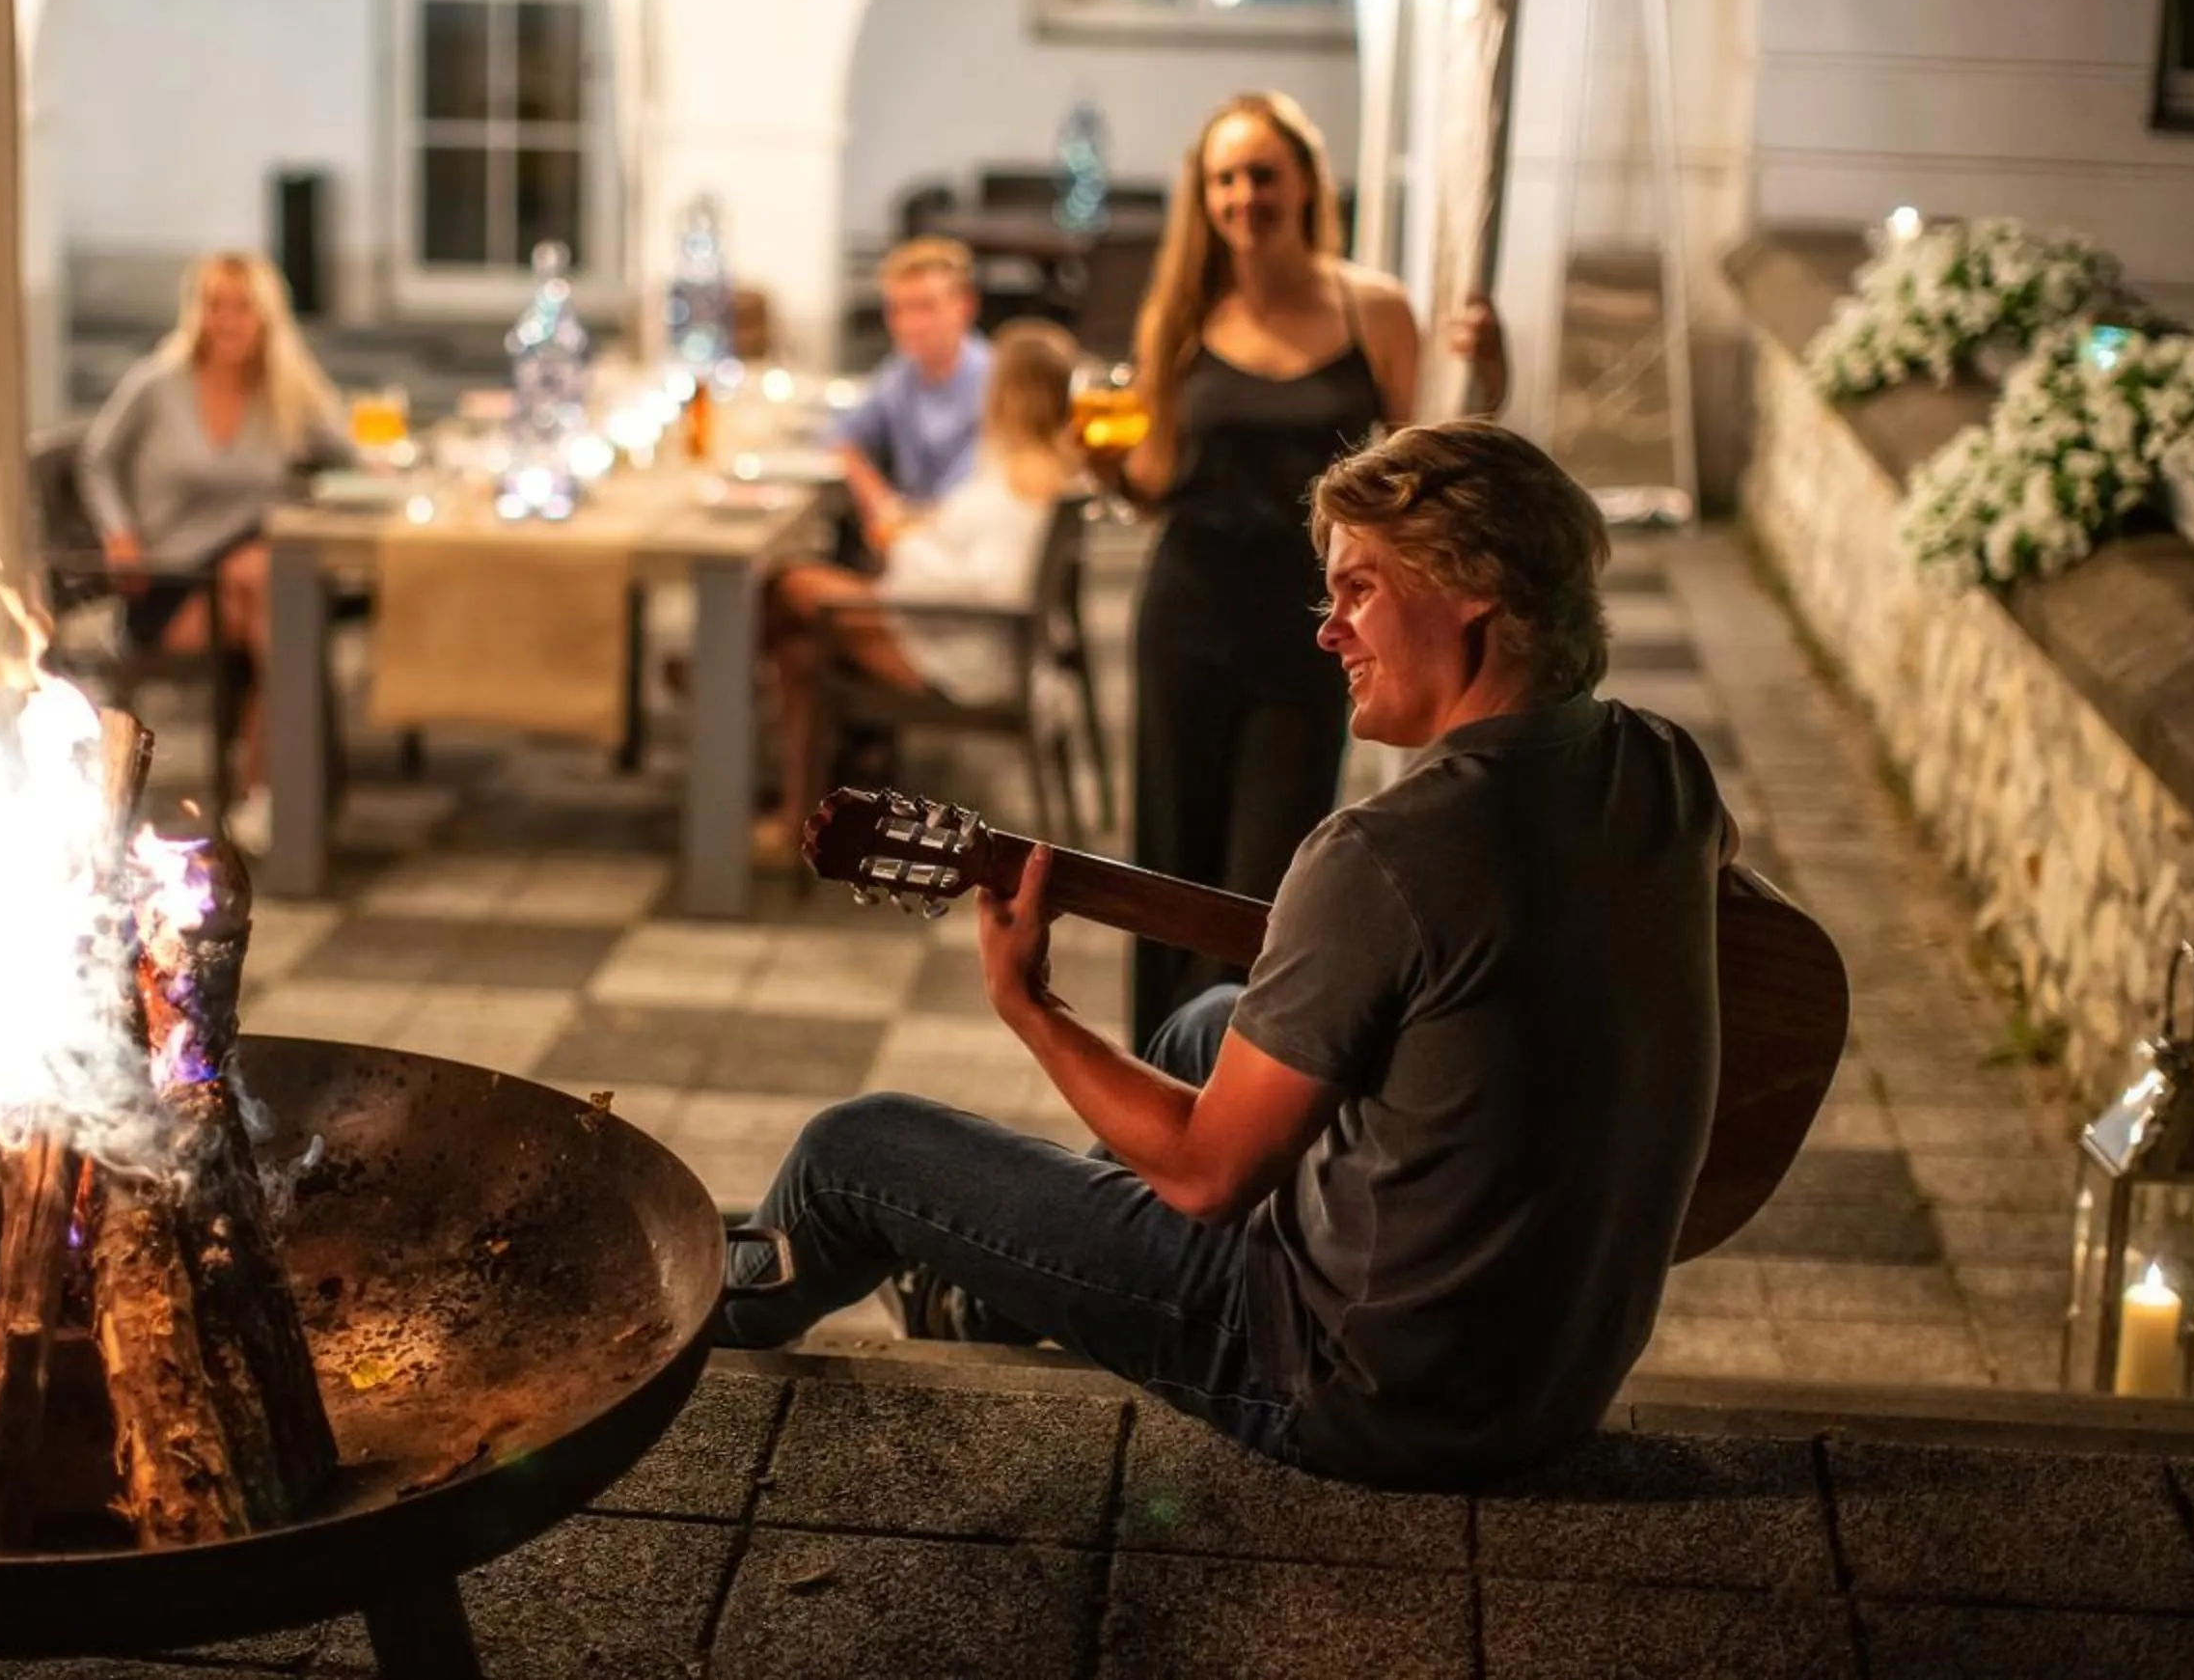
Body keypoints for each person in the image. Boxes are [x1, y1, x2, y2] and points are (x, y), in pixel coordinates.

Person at [720, 421, 1729, 1490]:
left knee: (857, 1150)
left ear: (1476, 587)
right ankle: (1000, 1298)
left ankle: (691, 1344)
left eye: (1360, 589)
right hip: (1551, 1369)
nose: (1328, 632)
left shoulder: (1386, 855)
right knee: (1211, 1024)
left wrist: (1031, 1007)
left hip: (1366, 1386)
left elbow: (1208, 1175)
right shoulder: (1664, 768)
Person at [1089, 91, 1505, 1047]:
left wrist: (1489, 375)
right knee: (1167, 862)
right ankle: (1151, 1093)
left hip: (1316, 618)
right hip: (1186, 610)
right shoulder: (1183, 315)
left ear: (1306, 182)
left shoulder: (1372, 307)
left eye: (1262, 173)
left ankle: (1238, 1092)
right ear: (1205, 194)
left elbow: (1430, 455)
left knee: (1272, 875)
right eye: (1224, 177)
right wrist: (1102, 461)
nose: (1244, 195)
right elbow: (1156, 480)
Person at [755, 318, 1080, 864]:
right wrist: (918, 527)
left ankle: (727, 686)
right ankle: (798, 813)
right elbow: (971, 541)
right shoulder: (1033, 464)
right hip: (956, 628)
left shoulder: (1021, 478)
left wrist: (902, 543)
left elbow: (989, 587)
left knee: (791, 584)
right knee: (799, 653)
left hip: (963, 648)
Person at [77, 251, 349, 853]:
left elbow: (347, 448)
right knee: (284, 610)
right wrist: (118, 532)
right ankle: (269, 790)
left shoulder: (283, 391)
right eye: (213, 306)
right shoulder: (159, 383)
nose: (225, 321)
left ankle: (266, 788)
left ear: (266, 317)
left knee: (267, 586)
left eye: (241, 308)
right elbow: (97, 459)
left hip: (243, 576)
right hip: (168, 577)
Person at [834, 236, 989, 549]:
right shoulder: (901, 372)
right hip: (915, 542)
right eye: (897, 310)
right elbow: (839, 438)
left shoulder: (996, 384)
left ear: (965, 306)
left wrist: (896, 526)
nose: (909, 324)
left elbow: (964, 505)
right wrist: (879, 500)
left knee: (792, 585)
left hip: (963, 556)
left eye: (925, 307)